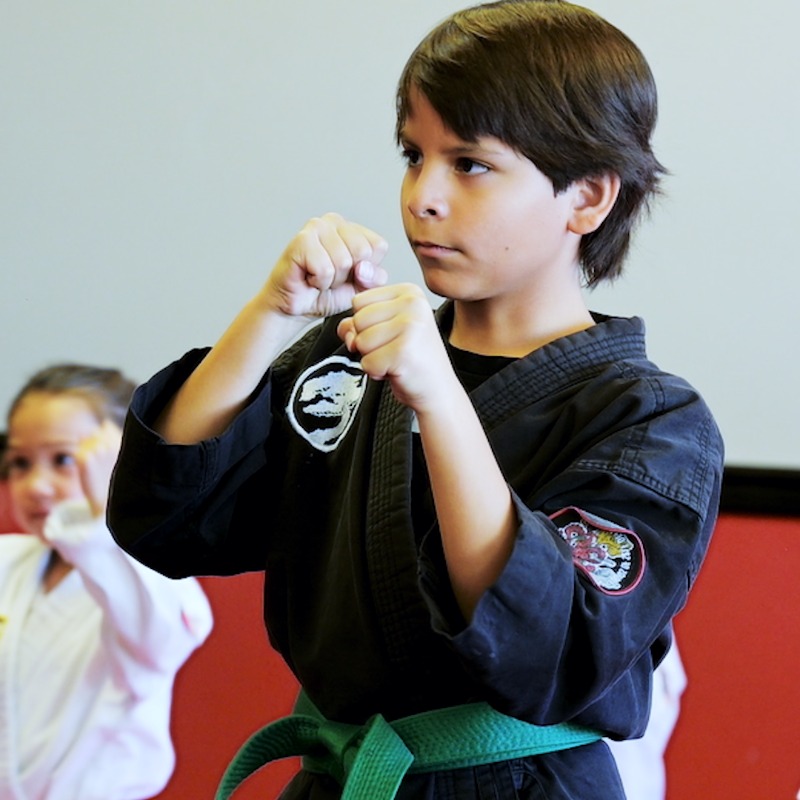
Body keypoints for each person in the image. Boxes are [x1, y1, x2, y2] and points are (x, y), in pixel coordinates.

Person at [108, 1, 724, 798]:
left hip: (518, 783)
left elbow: (549, 643)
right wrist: (270, 316)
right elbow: (169, 520)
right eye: (413, 154)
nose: (423, 196)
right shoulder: (357, 355)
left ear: (588, 197)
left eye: (469, 163)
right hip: (345, 777)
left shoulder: (651, 423)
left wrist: (438, 401)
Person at [0, 363, 213, 800]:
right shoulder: (8, 561)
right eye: (20, 463)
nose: (36, 485)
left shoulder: (152, 577)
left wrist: (105, 513)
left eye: (63, 459)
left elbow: (160, 639)